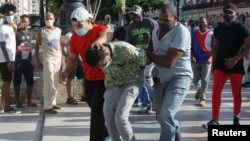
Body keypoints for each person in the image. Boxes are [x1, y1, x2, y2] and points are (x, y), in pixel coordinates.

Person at [61, 7, 113, 141]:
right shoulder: (75, 38)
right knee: (97, 111)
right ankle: (107, 135)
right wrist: (66, 71)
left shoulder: (98, 30)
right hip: (89, 80)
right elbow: (72, 58)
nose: (77, 29)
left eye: (79, 25)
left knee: (96, 111)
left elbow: (108, 33)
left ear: (89, 21)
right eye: (74, 27)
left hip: (104, 79)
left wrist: (98, 42)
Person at [146, 4, 193, 141]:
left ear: (175, 18)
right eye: (160, 19)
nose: (162, 23)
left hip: (180, 77)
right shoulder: (155, 31)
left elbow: (169, 62)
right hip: (160, 78)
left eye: (166, 20)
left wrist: (150, 56)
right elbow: (151, 56)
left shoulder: (182, 32)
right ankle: (176, 130)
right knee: (161, 117)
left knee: (166, 115)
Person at [85, 41, 148, 141]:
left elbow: (143, 59)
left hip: (131, 83)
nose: (102, 67)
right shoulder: (98, 55)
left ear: (107, 53)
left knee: (121, 118)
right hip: (112, 84)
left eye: (103, 64)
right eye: (99, 66)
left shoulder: (125, 49)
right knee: (108, 118)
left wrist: (142, 72)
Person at [202, 3, 250, 129]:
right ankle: (215, 119)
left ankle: (236, 118)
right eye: (225, 13)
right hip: (220, 65)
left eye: (230, 13)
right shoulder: (218, 29)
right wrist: (213, 61)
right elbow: (216, 45)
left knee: (236, 93)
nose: (227, 16)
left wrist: (236, 58)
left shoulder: (242, 29)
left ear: (236, 14)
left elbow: (249, 47)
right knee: (216, 92)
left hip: (236, 65)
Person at [126, 4, 157, 113]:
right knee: (140, 82)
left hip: (151, 56)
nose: (134, 17)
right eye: (132, 15)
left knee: (147, 80)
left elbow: (158, 36)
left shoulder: (150, 23)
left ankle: (155, 102)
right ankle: (146, 104)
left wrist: (154, 54)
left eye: (136, 14)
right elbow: (129, 44)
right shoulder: (131, 27)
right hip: (138, 58)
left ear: (141, 13)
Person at [35, 12, 63, 114]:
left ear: (54, 19)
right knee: (49, 82)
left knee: (55, 82)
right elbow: (37, 45)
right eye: (46, 18)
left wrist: (62, 58)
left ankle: (53, 102)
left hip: (58, 59)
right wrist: (38, 60)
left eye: (50, 18)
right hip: (48, 60)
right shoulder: (41, 31)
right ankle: (47, 106)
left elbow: (59, 44)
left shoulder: (59, 31)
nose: (48, 20)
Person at [14, 14, 37, 108]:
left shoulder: (31, 33)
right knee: (17, 82)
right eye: (23, 21)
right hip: (18, 61)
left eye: (26, 22)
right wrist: (18, 49)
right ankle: (17, 101)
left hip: (28, 61)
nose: (25, 23)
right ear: (20, 22)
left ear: (29, 22)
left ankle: (29, 100)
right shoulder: (16, 33)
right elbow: (12, 46)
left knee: (30, 82)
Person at [0, 3, 19, 113]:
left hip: (11, 58)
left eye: (12, 14)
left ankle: (4, 105)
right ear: (4, 15)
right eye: (8, 15)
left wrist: (15, 28)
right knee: (6, 82)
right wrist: (8, 62)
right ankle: (7, 106)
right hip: (4, 59)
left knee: (7, 81)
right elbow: (2, 46)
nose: (10, 16)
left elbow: (12, 40)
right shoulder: (2, 28)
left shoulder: (11, 26)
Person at [191, 17, 213, 107]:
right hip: (196, 60)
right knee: (195, 80)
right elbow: (191, 45)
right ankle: (200, 89)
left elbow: (215, 47)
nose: (201, 24)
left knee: (205, 80)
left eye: (203, 22)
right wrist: (192, 55)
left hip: (207, 60)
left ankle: (202, 98)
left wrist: (211, 58)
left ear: (207, 23)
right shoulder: (194, 33)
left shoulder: (211, 34)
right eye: (200, 23)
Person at [61, 30, 85, 104]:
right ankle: (70, 97)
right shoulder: (69, 35)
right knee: (70, 78)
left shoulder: (82, 34)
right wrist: (67, 56)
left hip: (80, 59)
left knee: (84, 78)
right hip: (72, 59)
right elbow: (61, 46)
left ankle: (84, 95)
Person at [242, 17, 250, 87]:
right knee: (245, 66)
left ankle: (247, 80)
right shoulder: (245, 31)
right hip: (246, 52)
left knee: (248, 68)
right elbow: (244, 43)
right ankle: (242, 81)